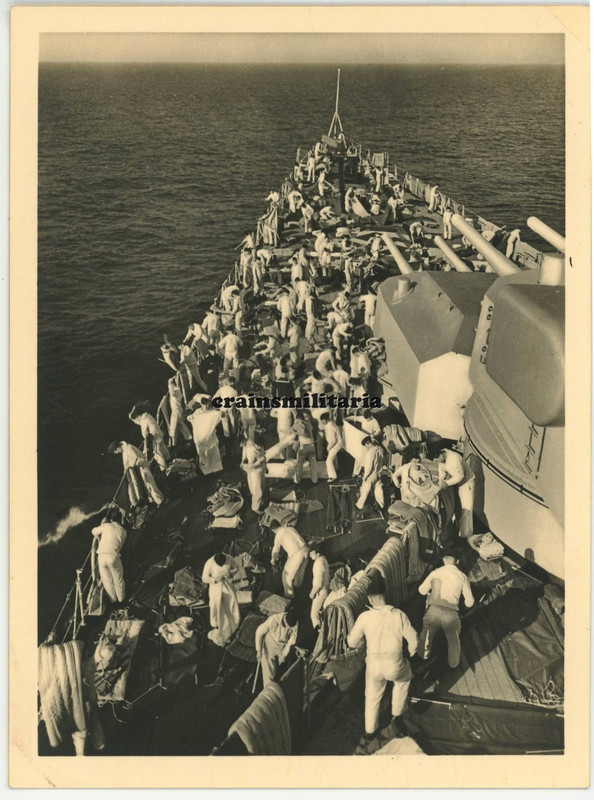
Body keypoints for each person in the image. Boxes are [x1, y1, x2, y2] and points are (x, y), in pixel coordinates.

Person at [347, 577, 418, 738]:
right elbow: (413, 638)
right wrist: (412, 654)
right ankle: (397, 715)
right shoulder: (398, 615)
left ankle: (370, 731)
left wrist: (361, 643)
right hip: (394, 664)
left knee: (372, 696)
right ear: (384, 595)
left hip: (374, 665)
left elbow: (351, 642)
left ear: (370, 599)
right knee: (404, 679)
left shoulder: (365, 617)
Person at [418, 553, 474, 669]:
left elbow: (422, 591)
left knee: (426, 634)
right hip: (451, 614)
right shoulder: (462, 577)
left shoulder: (435, 573)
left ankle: (423, 655)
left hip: (433, 611)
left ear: (443, 560)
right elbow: (470, 601)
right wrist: (464, 608)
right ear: (457, 561)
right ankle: (453, 663)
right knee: (453, 640)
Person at [108, 441, 165, 507]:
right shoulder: (125, 450)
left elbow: (135, 460)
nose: (116, 453)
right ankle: (153, 500)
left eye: (115, 451)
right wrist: (126, 468)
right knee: (147, 484)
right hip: (141, 467)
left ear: (117, 448)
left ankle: (160, 501)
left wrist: (129, 465)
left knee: (150, 484)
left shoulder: (128, 448)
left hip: (143, 466)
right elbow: (126, 462)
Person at [202, 552, 240, 647]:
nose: (221, 565)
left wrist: (231, 574)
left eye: (223, 563)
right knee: (215, 606)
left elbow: (236, 567)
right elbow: (204, 578)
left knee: (231, 603)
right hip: (215, 588)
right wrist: (214, 579)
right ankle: (216, 623)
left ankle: (233, 622)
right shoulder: (209, 563)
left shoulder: (229, 557)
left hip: (227, 586)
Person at [255, 607, 299, 686]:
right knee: (268, 671)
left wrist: (284, 655)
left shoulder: (295, 624)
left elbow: (291, 641)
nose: (289, 628)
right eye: (288, 626)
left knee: (277, 668)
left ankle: (272, 681)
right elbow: (259, 632)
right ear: (285, 620)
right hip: (269, 644)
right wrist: (258, 650)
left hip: (281, 646)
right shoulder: (274, 619)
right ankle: (267, 689)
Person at [437, 448, 475, 537]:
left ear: (441, 454)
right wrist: (440, 483)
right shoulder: (443, 459)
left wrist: (447, 483)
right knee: (459, 509)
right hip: (459, 485)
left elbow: (460, 476)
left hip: (466, 485)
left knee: (466, 510)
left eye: (437, 459)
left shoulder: (453, 459)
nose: (437, 461)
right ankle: (459, 532)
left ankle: (466, 536)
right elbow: (441, 471)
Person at [91, 510, 127, 604]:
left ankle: (113, 600)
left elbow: (93, 531)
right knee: (118, 579)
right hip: (113, 557)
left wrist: (103, 523)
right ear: (120, 520)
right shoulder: (123, 531)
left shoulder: (106, 526)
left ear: (111, 519)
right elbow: (121, 545)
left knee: (107, 581)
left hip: (101, 557)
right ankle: (121, 600)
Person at [270, 521, 309, 598]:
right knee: (299, 571)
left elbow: (276, 550)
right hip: (306, 550)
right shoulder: (291, 528)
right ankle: (298, 587)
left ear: (273, 530)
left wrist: (273, 560)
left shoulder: (279, 534)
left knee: (286, 576)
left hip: (296, 554)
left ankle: (289, 597)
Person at [355, 436, 385, 512]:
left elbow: (369, 467)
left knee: (365, 489)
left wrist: (365, 476)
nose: (366, 448)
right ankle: (381, 505)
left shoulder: (371, 452)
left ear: (368, 443)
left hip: (371, 475)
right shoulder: (380, 449)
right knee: (378, 489)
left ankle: (359, 505)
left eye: (366, 446)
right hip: (379, 473)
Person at [240, 435, 267, 514]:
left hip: (259, 471)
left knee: (261, 487)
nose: (257, 446)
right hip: (255, 473)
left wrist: (265, 467)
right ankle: (255, 508)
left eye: (259, 445)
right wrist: (259, 462)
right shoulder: (251, 450)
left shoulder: (259, 447)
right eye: (256, 445)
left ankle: (259, 501)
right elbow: (253, 464)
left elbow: (262, 457)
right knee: (257, 491)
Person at [167, 376, 192, 448]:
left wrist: (169, 384)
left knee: (173, 427)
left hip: (176, 411)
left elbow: (172, 393)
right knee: (181, 425)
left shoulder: (176, 390)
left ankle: (173, 443)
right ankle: (189, 437)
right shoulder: (177, 389)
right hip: (178, 410)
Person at [293, 414, 318, 485]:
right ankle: (314, 480)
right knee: (313, 464)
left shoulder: (299, 425)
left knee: (299, 464)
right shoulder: (309, 425)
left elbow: (295, 432)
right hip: (312, 445)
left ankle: (297, 480)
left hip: (303, 447)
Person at [309, 544, 330, 629]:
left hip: (320, 592)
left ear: (316, 552)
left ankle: (318, 634)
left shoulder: (318, 563)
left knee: (314, 615)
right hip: (325, 590)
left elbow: (318, 583)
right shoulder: (323, 559)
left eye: (311, 552)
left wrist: (312, 594)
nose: (309, 554)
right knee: (321, 613)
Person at [319, 413, 343, 482]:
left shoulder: (330, 426)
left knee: (328, 461)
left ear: (327, 420)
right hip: (335, 443)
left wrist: (328, 448)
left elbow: (333, 440)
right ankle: (336, 469)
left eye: (323, 421)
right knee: (333, 457)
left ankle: (333, 476)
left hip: (336, 444)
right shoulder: (330, 423)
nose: (322, 423)